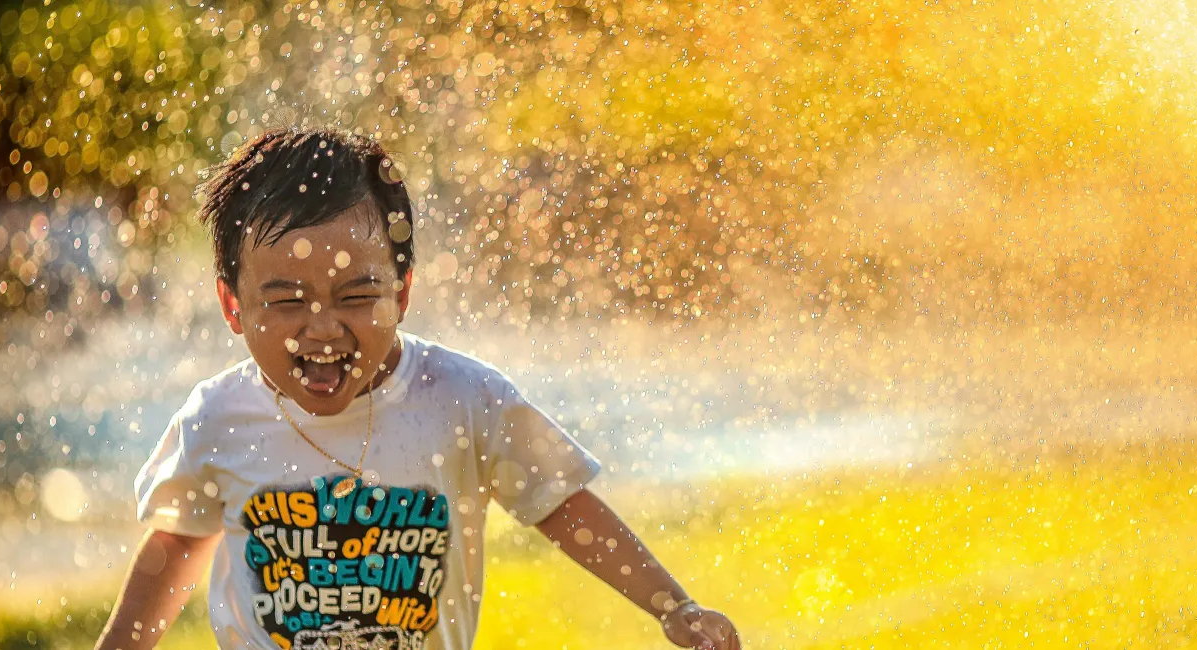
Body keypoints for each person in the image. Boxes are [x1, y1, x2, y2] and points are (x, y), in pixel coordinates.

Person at [93, 127, 740, 650]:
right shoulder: (220, 418)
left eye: (356, 295)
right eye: (286, 300)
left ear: (402, 294)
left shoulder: (460, 399)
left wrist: (673, 605)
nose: (323, 328)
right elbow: (178, 543)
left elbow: (559, 503)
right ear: (233, 307)